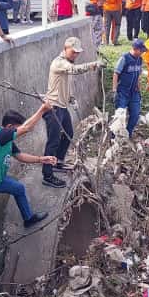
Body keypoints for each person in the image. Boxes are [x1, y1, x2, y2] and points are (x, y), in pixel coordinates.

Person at [0, 103, 54, 279]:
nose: (18, 132)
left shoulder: (8, 141)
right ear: (9, 127)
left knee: (19, 188)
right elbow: (27, 127)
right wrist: (42, 110)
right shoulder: (1, 135)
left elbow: (20, 156)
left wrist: (40, 159)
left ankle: (28, 218)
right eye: (16, 129)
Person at [42, 37, 102, 188]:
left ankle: (58, 161)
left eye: (77, 53)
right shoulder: (59, 62)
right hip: (53, 107)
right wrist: (93, 64)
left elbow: (65, 85)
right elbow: (75, 70)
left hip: (62, 106)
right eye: (73, 52)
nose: (75, 55)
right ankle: (47, 175)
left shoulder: (66, 64)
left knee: (68, 132)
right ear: (65, 48)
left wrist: (71, 98)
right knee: (53, 141)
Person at [113, 38, 147, 137]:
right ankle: (115, 135)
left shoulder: (140, 59)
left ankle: (128, 133)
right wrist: (114, 91)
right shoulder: (124, 58)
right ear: (135, 49)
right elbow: (116, 73)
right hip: (123, 91)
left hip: (134, 92)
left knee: (135, 114)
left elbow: (138, 75)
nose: (142, 53)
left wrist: (139, 89)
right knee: (120, 115)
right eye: (141, 50)